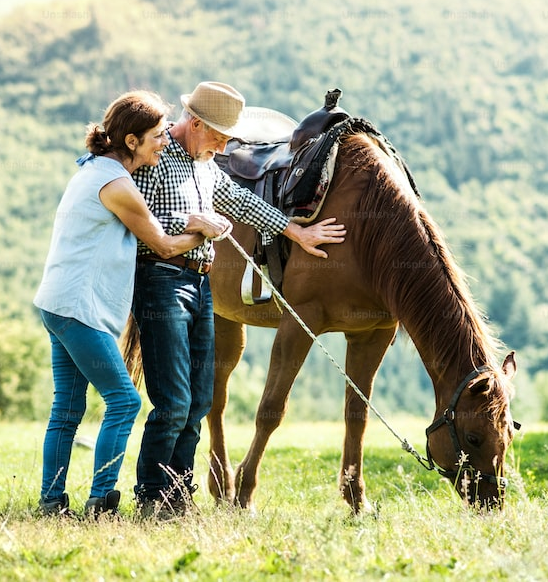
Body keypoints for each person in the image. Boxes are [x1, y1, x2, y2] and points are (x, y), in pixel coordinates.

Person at [131, 81, 347, 518]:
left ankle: (177, 493)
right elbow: (134, 217)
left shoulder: (207, 164)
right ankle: (152, 498)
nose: (225, 145)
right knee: (173, 401)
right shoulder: (153, 159)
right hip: (161, 282)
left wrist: (296, 231)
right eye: (219, 136)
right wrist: (194, 224)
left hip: (199, 281)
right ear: (195, 124)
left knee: (198, 399)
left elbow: (243, 202)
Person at [33, 90, 232, 519]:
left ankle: (52, 504)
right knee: (124, 401)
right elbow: (161, 244)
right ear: (131, 142)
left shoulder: (95, 168)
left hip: (60, 301)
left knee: (67, 409)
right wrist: (205, 232)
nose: (165, 142)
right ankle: (101, 502)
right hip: (77, 308)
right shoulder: (118, 185)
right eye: (158, 136)